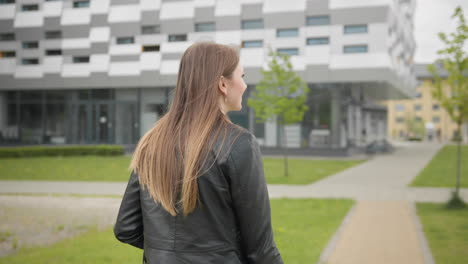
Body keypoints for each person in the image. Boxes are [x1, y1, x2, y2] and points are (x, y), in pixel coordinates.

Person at [114, 42, 283, 264]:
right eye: (241, 76)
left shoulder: (151, 142)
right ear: (223, 84)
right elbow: (261, 250)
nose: (244, 85)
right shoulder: (239, 145)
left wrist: (167, 254)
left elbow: (126, 228)